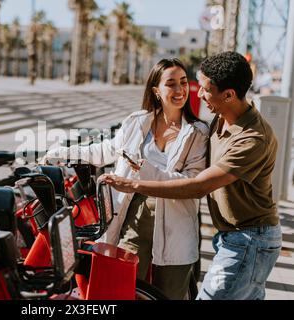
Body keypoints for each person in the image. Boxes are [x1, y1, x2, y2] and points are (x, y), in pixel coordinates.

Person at [101, 51, 281, 300]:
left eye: (205, 89)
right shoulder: (222, 119)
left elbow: (197, 186)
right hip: (233, 235)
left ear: (228, 95)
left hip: (250, 239)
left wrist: (133, 183)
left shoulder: (252, 139)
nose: (196, 94)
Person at [44, 58, 209, 299]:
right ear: (156, 90)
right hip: (134, 218)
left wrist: (141, 169)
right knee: (123, 291)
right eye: (171, 84)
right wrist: (59, 154)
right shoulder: (137, 122)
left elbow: (191, 182)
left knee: (170, 295)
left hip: (177, 225)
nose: (179, 90)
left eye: (183, 82)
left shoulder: (198, 133)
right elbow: (105, 150)